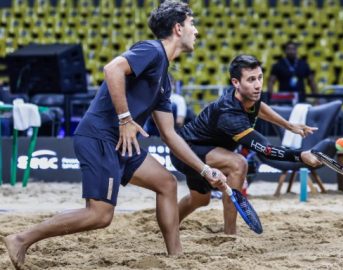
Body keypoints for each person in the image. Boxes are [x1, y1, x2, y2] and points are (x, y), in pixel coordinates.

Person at [3, 2, 226, 269]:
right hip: (100, 136)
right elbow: (112, 69)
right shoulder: (152, 50)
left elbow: (170, 134)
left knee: (166, 184)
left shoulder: (165, 79)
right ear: (178, 28)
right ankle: (21, 239)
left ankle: (175, 257)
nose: (197, 31)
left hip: (123, 144)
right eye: (192, 24)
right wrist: (125, 118)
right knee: (100, 215)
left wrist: (204, 170)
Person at [171, 55, 321, 235]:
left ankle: (168, 224)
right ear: (236, 82)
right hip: (186, 150)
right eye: (251, 79)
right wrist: (300, 155)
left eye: (260, 77)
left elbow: (260, 107)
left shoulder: (248, 96)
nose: (258, 84)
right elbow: (267, 150)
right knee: (238, 163)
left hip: (204, 149)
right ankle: (230, 234)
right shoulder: (230, 115)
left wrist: (289, 125)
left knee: (200, 200)